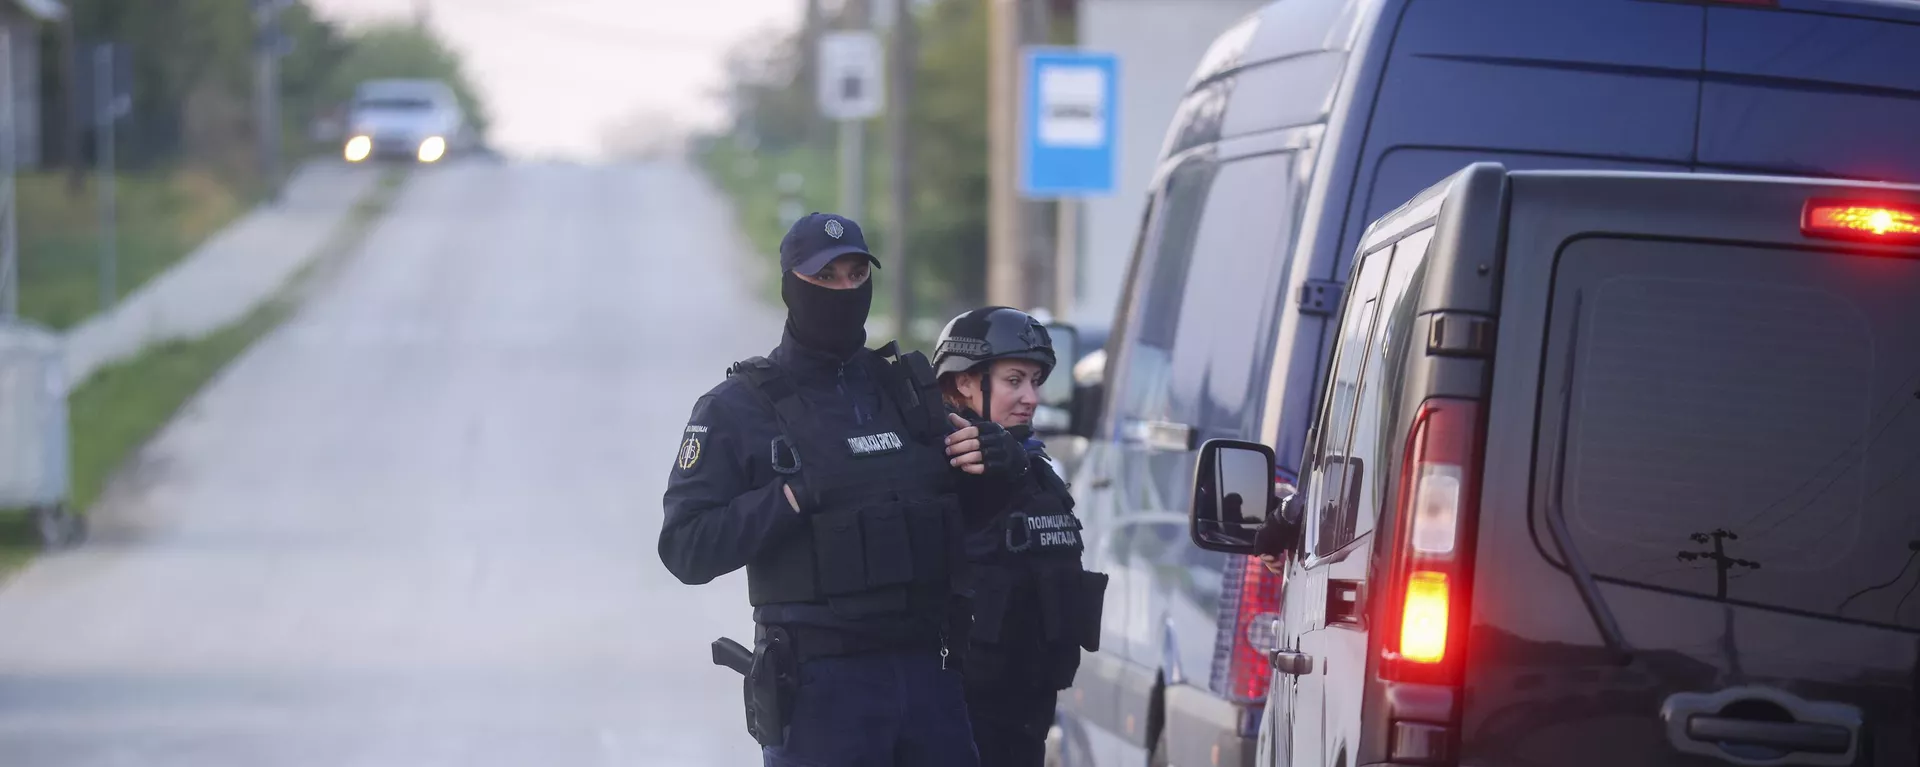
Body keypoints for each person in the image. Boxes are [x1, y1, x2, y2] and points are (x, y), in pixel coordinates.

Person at [658, 212, 1029, 767]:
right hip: (820, 687)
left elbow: (955, 519)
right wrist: (792, 496)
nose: (845, 289)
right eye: (826, 277)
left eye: (857, 275)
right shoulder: (737, 407)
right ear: (791, 286)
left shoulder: (905, 389)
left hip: (928, 675)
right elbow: (685, 548)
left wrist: (1002, 468)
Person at [932, 307, 1109, 767]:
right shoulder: (942, 463)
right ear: (964, 382)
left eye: (1036, 381)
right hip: (961, 720)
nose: (1031, 397)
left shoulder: (1031, 461)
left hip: (1026, 713)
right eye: (1014, 380)